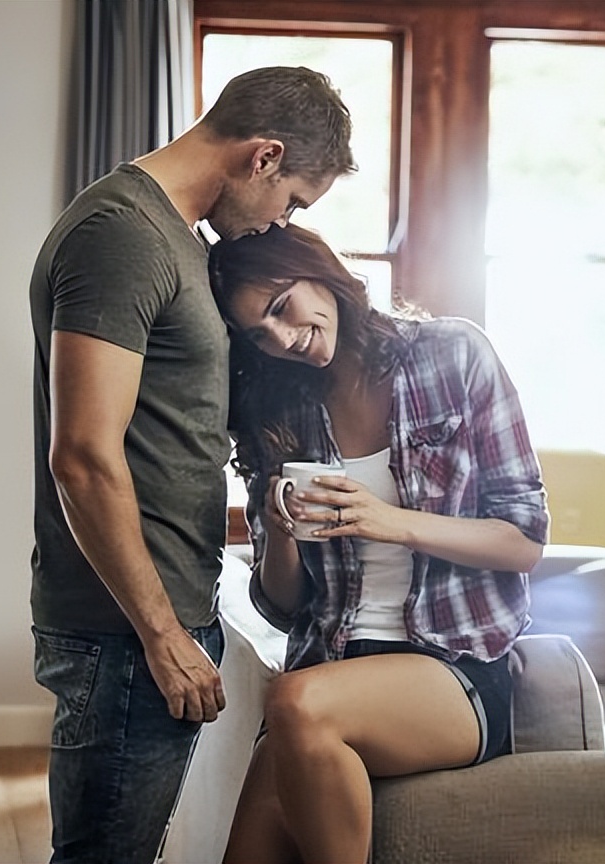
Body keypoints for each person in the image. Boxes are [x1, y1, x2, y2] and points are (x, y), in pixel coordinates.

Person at [28, 67, 356, 864]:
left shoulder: (175, 236)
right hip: (128, 632)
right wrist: (163, 631)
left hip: (151, 619)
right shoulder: (123, 235)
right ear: (264, 156)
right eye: (293, 201)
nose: (281, 223)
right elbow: (82, 455)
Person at [207, 223, 548, 864]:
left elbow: (524, 538)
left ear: (321, 272)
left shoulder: (454, 355)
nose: (282, 338)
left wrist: (388, 520)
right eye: (259, 333)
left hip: (455, 669)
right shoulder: (278, 407)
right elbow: (283, 606)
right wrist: (281, 530)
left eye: (282, 307)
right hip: (332, 667)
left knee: (296, 701)